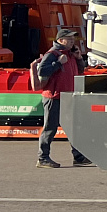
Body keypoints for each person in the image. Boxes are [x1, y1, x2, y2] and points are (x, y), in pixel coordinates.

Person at [36, 28, 91, 170]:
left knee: (72, 128)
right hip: (54, 97)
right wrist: (58, 63)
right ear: (60, 40)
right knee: (50, 128)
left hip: (67, 96)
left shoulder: (70, 54)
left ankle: (78, 157)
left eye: (73, 39)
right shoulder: (53, 54)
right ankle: (43, 158)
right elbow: (41, 71)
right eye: (69, 39)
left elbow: (80, 71)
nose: (72, 41)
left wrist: (79, 58)